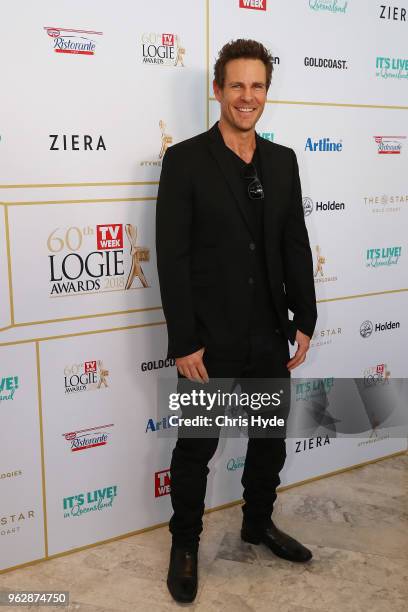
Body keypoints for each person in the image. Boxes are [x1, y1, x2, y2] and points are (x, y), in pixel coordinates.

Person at [156, 39, 317, 604]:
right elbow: (171, 258)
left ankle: (258, 523)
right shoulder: (185, 162)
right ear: (218, 90)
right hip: (209, 339)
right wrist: (184, 339)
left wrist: (306, 316)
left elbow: (295, 243)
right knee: (196, 446)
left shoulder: (283, 161)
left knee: (269, 438)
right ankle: (184, 545)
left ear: (266, 92)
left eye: (258, 86)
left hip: (269, 333)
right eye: (237, 85)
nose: (247, 97)